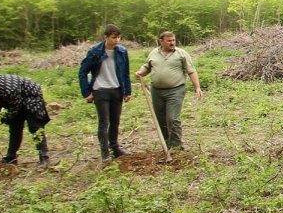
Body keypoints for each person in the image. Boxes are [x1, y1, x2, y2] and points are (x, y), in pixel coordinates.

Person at [135, 31, 202, 152]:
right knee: (161, 118)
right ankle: (167, 144)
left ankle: (176, 146)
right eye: (169, 41)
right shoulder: (153, 53)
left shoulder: (181, 53)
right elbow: (147, 67)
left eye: (173, 40)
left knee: (172, 118)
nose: (172, 43)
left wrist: (197, 87)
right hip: (157, 92)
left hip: (175, 90)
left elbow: (191, 70)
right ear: (161, 41)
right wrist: (140, 72)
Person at [78, 24, 132, 163]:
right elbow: (83, 72)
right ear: (106, 37)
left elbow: (126, 72)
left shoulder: (122, 51)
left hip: (116, 90)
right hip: (100, 90)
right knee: (104, 122)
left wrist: (127, 91)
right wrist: (86, 93)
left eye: (119, 37)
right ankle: (105, 153)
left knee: (115, 121)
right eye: (114, 37)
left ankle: (115, 148)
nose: (117, 40)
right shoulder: (94, 52)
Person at [0, 73, 52, 166]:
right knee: (14, 130)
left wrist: (3, 120)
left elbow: (15, 109)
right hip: (16, 101)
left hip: (32, 99)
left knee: (35, 128)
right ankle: (11, 158)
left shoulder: (9, 90)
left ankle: (44, 158)